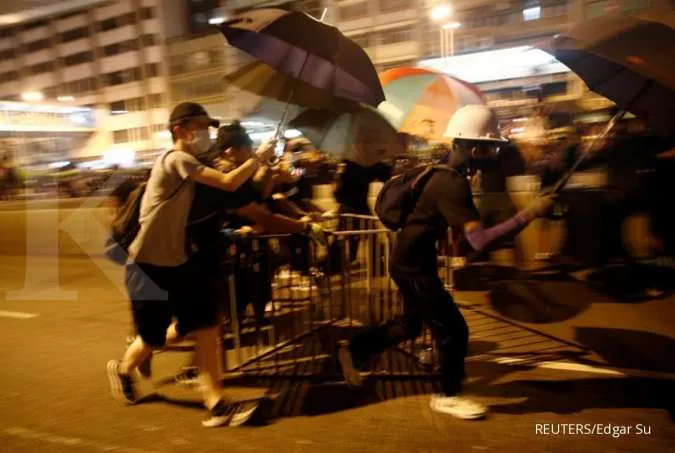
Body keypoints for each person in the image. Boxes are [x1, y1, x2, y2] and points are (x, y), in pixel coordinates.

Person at [338, 105, 556, 420]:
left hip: (409, 261)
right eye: (491, 147)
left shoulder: (440, 170)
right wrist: (532, 212)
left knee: (410, 325)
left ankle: (355, 351)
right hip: (414, 266)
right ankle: (448, 395)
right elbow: (480, 240)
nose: (494, 154)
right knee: (454, 330)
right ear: (474, 147)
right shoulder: (452, 182)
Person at [106, 102, 276, 428]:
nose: (207, 133)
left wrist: (260, 168)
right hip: (146, 266)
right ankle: (124, 369)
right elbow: (227, 182)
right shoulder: (176, 159)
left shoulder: (194, 161)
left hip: (180, 262)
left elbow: (237, 190)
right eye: (201, 127)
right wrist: (258, 157)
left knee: (207, 327)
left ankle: (216, 403)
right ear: (180, 130)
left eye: (209, 128)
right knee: (153, 339)